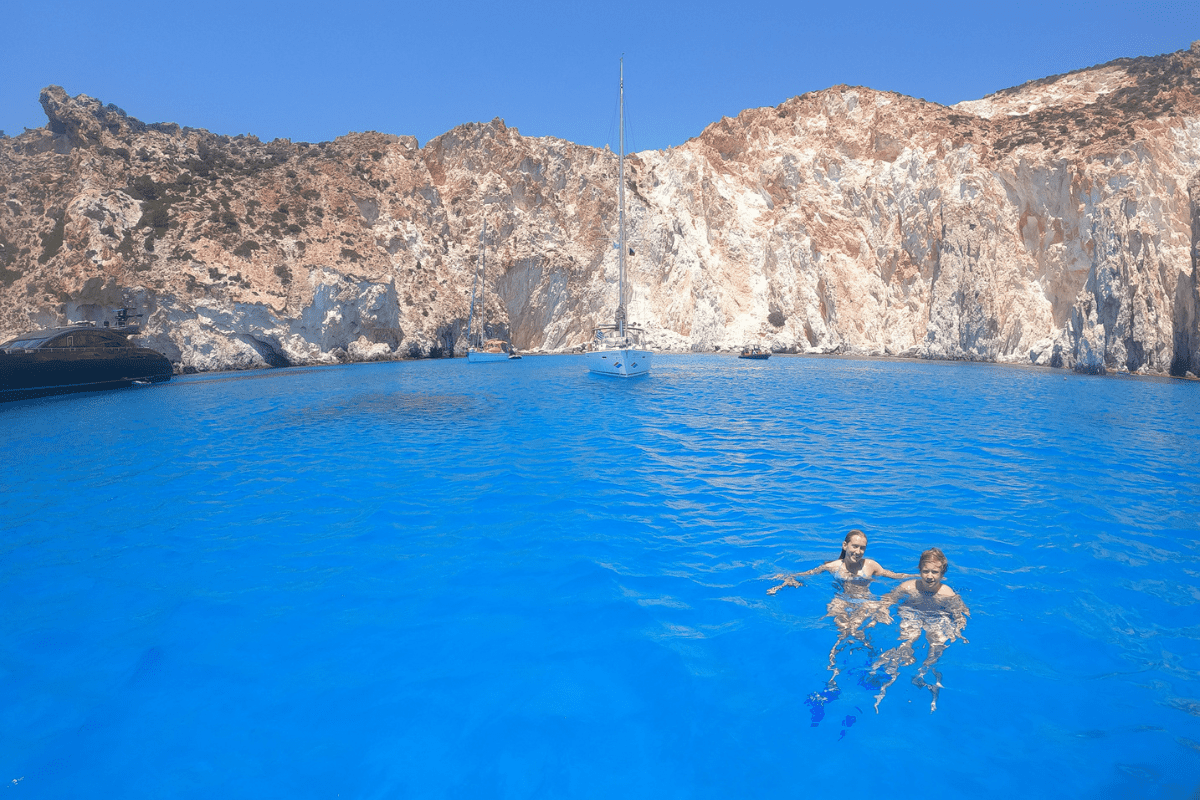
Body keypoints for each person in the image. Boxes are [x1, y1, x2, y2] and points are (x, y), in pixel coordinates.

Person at [766, 530, 914, 688]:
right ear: (845, 545)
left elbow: (894, 575)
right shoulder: (832, 566)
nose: (858, 551)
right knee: (843, 633)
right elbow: (807, 574)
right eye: (855, 546)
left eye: (862, 548)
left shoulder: (870, 565)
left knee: (860, 632)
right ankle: (833, 671)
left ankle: (872, 663)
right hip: (841, 601)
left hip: (866, 601)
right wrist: (784, 581)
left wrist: (919, 577)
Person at [865, 547, 969, 713]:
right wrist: (883, 610)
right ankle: (892, 669)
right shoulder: (909, 587)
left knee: (937, 643)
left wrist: (959, 626)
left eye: (934, 572)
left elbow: (961, 611)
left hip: (937, 617)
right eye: (925, 571)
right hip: (911, 614)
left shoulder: (947, 593)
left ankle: (924, 672)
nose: (929, 576)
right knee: (908, 640)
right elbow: (889, 598)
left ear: (942, 573)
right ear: (919, 570)